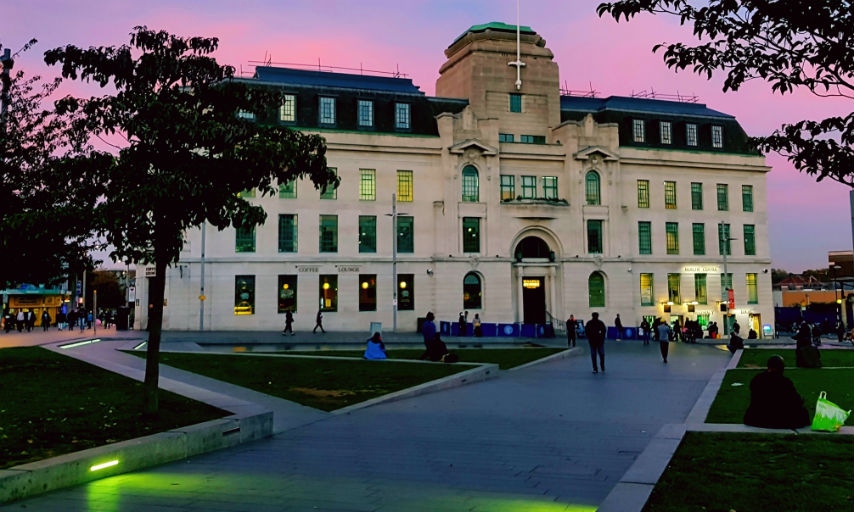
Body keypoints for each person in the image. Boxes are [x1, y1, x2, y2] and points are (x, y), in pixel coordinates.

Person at [743, 355, 810, 429]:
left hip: (757, 418)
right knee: (803, 413)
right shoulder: (785, 382)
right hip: (778, 419)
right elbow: (795, 401)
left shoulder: (757, 379)